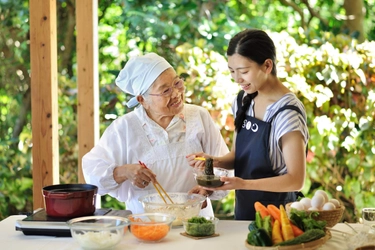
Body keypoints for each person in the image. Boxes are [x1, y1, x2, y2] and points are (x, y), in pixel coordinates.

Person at [82, 52, 229, 217]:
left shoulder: (199, 117)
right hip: (146, 223)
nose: (176, 93)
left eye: (177, 83)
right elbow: (92, 174)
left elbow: (225, 168)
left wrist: (207, 188)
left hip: (196, 221)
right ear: (142, 100)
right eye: (165, 90)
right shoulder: (124, 128)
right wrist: (124, 171)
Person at [187, 29, 309, 220]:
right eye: (232, 71)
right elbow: (238, 157)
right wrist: (212, 161)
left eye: (244, 71)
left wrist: (242, 184)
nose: (237, 79)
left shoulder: (287, 113)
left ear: (267, 65)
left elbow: (295, 180)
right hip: (244, 212)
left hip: (279, 217)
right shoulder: (244, 100)